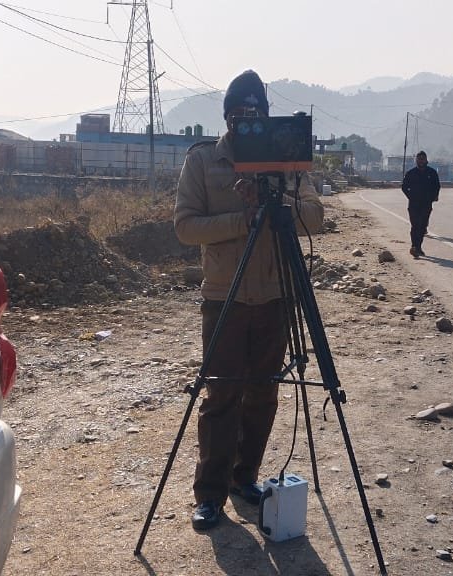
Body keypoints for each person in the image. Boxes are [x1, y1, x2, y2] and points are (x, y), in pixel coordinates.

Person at [174, 69, 326, 531]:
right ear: (226, 117)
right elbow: (186, 227)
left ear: (266, 114)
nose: (247, 120)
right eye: (238, 113)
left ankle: (245, 477)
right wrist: (244, 218)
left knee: (264, 392)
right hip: (224, 296)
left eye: (255, 112)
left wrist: (274, 202)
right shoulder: (204, 160)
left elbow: (315, 217)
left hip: (275, 295)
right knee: (221, 394)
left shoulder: (284, 156)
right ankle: (210, 494)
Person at [401, 150, 440, 258]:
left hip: (426, 204)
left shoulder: (432, 173)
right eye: (419, 159)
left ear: (426, 160)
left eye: (423, 159)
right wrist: (411, 196)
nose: (421, 161)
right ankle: (414, 246)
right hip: (413, 204)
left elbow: (437, 186)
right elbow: (404, 187)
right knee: (415, 225)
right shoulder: (411, 173)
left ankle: (418, 247)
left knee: (422, 227)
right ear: (416, 161)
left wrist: (434, 197)